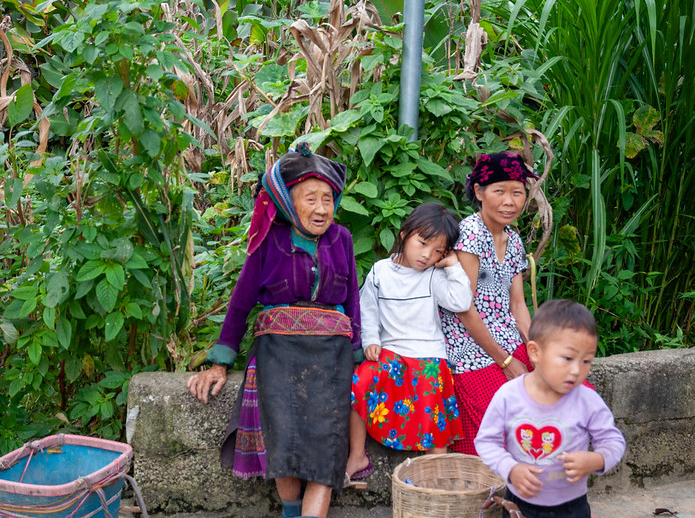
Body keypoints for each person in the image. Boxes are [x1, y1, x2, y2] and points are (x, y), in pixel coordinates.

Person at [186, 143, 361, 518]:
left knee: (327, 448)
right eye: (310, 199)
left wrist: (359, 354)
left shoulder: (341, 239)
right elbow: (241, 302)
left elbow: (352, 302)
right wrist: (220, 361)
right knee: (285, 442)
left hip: (332, 356)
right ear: (288, 204)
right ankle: (291, 512)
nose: (321, 208)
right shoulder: (270, 241)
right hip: (278, 355)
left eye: (327, 199)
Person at [346, 203, 472, 481]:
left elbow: (461, 301)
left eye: (438, 251)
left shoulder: (434, 276)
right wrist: (370, 340)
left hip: (428, 357)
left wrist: (452, 266)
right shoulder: (381, 271)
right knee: (359, 382)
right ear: (404, 234)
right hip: (391, 353)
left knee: (433, 410)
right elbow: (367, 308)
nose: (427, 255)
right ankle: (357, 455)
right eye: (423, 243)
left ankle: (438, 475)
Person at [474, 299, 626, 517]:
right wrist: (511, 468)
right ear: (535, 352)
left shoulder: (587, 400)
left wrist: (597, 459)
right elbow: (486, 441)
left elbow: (613, 441)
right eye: (567, 358)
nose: (576, 370)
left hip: (572, 506)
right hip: (519, 504)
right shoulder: (509, 396)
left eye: (586, 361)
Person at [439, 151, 537, 456]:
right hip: (470, 349)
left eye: (517, 192)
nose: (510, 201)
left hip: (506, 340)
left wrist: (537, 352)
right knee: (500, 422)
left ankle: (550, 493)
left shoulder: (514, 239)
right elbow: (464, 308)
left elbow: (519, 307)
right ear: (479, 193)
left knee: (563, 395)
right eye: (499, 191)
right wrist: (506, 362)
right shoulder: (470, 234)